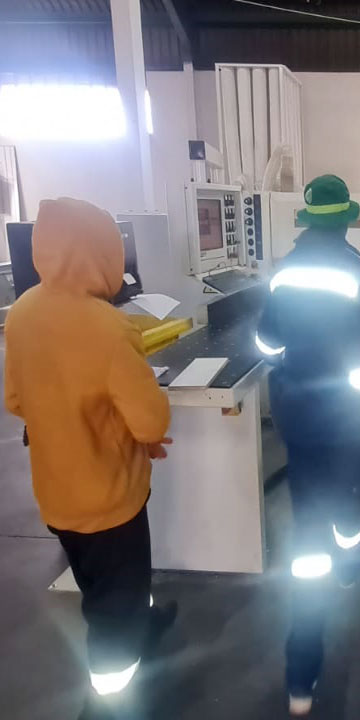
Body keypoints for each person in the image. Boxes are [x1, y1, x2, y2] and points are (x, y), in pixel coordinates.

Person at [3, 198, 176, 719]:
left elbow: (15, 400)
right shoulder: (108, 327)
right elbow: (149, 422)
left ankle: (142, 625)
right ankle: (109, 700)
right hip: (111, 498)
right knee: (115, 605)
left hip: (56, 492)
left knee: (100, 583)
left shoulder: (22, 312)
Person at [256, 174, 360, 715]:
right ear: (344, 222)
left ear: (308, 221)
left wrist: (291, 365)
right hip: (346, 423)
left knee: (306, 537)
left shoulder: (284, 272)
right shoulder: (357, 272)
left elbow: (266, 343)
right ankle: (351, 565)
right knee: (351, 508)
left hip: (299, 421)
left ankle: (300, 682)